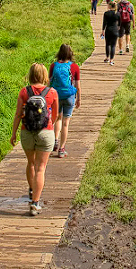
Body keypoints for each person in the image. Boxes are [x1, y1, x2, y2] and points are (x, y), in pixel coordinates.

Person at [10, 63, 59, 216]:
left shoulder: (24, 92)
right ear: (44, 75)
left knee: (31, 163)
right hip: (46, 132)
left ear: (30, 75)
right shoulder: (52, 92)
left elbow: (18, 114)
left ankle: (32, 190)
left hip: (27, 132)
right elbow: (56, 115)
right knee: (41, 168)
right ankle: (35, 203)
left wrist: (13, 134)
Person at [49, 44, 81, 158]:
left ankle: (55, 140)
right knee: (66, 123)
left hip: (56, 96)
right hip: (69, 96)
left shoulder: (54, 66)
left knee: (57, 118)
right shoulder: (74, 67)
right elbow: (77, 84)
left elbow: (50, 82)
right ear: (70, 53)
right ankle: (62, 149)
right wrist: (79, 98)